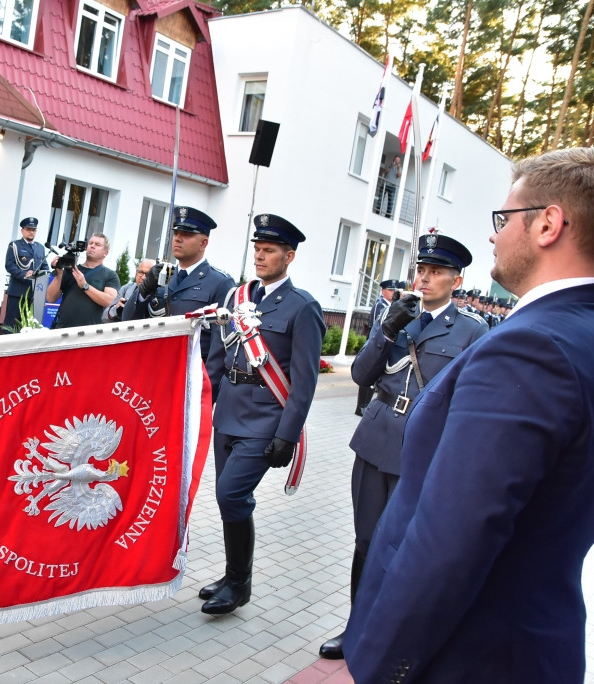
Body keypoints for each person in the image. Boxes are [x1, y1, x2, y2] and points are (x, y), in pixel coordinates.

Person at [343, 147, 594, 683]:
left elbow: (451, 539)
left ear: (548, 223)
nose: (493, 236)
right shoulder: (577, 332)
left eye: (503, 219)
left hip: (469, 653)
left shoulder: (530, 347)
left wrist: (384, 666)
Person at [319, 233, 486, 661]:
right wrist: (388, 328)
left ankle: (394, 630)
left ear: (456, 279)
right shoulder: (397, 317)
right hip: (376, 440)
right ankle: (357, 627)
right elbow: (360, 375)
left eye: (436, 272)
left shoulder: (471, 330)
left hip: (424, 448)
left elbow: (469, 396)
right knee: (366, 540)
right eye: (421, 270)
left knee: (407, 544)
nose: (425, 278)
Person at [200, 213, 325, 615]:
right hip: (229, 413)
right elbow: (219, 357)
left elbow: (304, 380)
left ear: (289, 256)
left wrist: (287, 433)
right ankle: (231, 574)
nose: (260, 255)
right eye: (257, 248)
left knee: (231, 493)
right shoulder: (239, 298)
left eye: (269, 250)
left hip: (265, 417)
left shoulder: (303, 307)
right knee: (228, 501)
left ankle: (239, 584)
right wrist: (204, 407)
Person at [122, 206, 234, 359]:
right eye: (176, 233)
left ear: (203, 244)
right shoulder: (162, 276)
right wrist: (144, 289)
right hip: (155, 365)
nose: (178, 238)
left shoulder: (220, 282)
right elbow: (128, 321)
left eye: (186, 234)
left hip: (192, 371)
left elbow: (221, 343)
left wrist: (208, 381)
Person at [46, 233, 119, 328]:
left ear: (106, 253)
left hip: (89, 333)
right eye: (91, 243)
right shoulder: (70, 269)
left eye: (97, 245)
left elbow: (110, 301)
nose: (92, 246)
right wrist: (59, 273)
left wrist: (85, 286)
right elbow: (51, 298)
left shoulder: (110, 275)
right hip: (62, 329)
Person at [354, 278, 400, 416]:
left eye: (394, 290)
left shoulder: (392, 305)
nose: (392, 293)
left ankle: (365, 404)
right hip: (375, 341)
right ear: (383, 290)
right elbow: (376, 324)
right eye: (390, 290)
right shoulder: (380, 305)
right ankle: (361, 405)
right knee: (368, 374)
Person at [2, 217, 48, 332]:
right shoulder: (15, 245)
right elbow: (9, 265)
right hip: (18, 291)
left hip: (35, 293)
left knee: (29, 325)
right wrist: (24, 274)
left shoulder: (40, 247)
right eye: (28, 229)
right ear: (22, 230)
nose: (31, 232)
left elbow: (44, 266)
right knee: (11, 325)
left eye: (34, 230)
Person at [104, 258, 154, 322]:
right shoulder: (126, 288)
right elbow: (104, 317)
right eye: (140, 272)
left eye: (148, 274)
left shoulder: (159, 293)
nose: (143, 277)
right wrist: (116, 309)